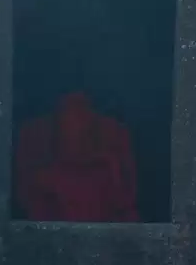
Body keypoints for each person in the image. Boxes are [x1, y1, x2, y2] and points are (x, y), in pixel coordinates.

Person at [15, 90, 139, 222]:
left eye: (83, 110)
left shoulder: (114, 140)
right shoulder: (34, 139)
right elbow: (30, 205)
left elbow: (126, 204)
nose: (78, 121)